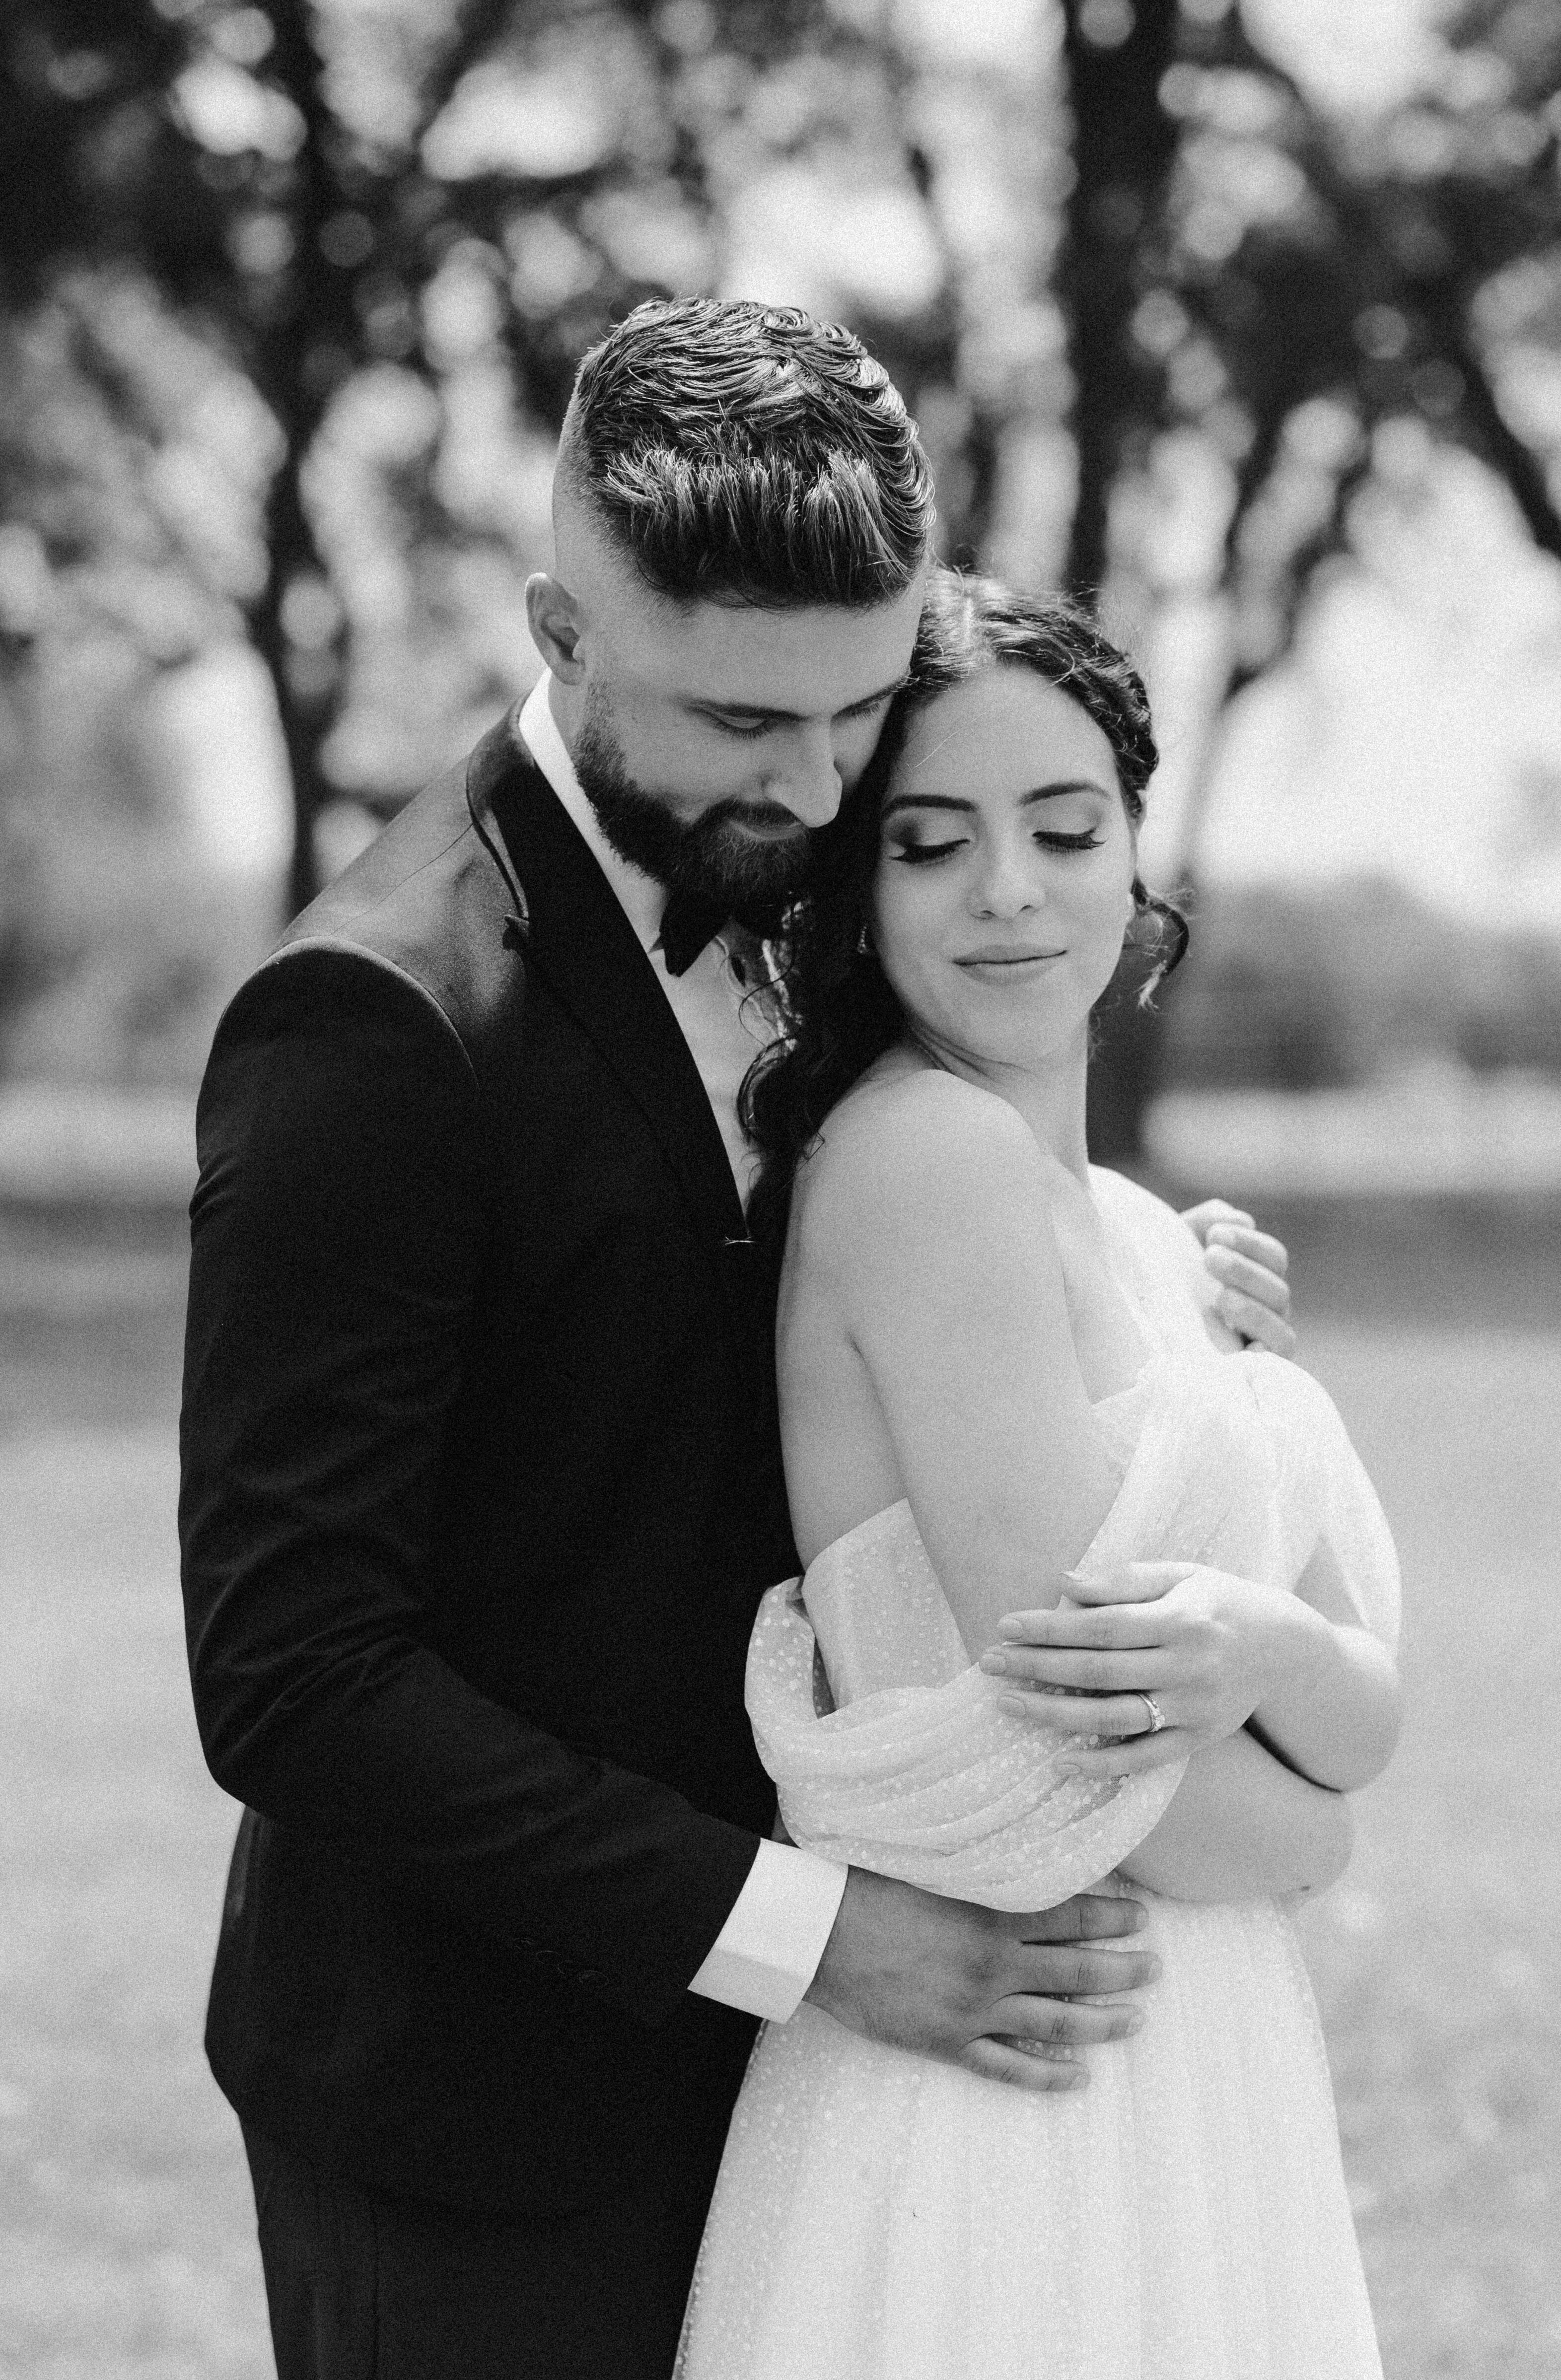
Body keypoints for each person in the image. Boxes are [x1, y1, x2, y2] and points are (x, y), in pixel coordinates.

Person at [179, 300, 1297, 2380]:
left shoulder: (815, 877)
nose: (810, 787)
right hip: (484, 2105)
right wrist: (805, 1939)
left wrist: (1136, 1275)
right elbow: (293, 1671)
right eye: (734, 722)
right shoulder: (368, 1028)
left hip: (845, 2095)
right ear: (559, 627)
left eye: (857, 713)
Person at [674, 577, 1403, 2380]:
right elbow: (1081, 1759)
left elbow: (1362, 1684)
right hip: (1018, 2085)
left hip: (1196, 2058)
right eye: (934, 843)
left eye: (1065, 828)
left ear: (1137, 862)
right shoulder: (923, 1160)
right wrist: (1317, 1818)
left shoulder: (1158, 1236)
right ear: (858, 892)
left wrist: (1262, 1654)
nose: (1010, 887)